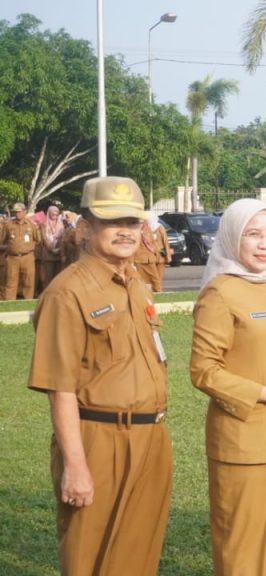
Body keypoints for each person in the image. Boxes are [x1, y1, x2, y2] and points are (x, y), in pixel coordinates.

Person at [27, 176, 172, 575]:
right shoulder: (67, 292)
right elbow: (60, 388)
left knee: (139, 556)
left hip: (151, 437)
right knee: (90, 555)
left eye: (132, 222)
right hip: (98, 440)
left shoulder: (136, 284)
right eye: (112, 222)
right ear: (86, 228)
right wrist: (75, 465)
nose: (125, 231)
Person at [191, 199, 266, 575]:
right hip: (242, 440)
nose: (265, 244)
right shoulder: (220, 292)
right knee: (240, 550)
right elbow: (203, 370)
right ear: (233, 237)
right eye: (253, 235)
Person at [3, 201, 40, 300]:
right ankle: (9, 303)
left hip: (28, 257)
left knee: (28, 282)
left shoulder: (31, 225)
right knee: (10, 282)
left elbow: (37, 240)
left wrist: (28, 247)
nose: (17, 214)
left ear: (24, 211)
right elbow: (3, 240)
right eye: (15, 212)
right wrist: (12, 247)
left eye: (19, 212)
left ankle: (28, 302)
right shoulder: (8, 225)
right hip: (12, 258)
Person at [134, 212, 164, 292]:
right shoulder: (134, 230)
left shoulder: (147, 228)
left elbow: (152, 242)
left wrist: (157, 253)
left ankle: (158, 291)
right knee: (144, 279)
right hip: (139, 259)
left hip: (149, 258)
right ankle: (149, 293)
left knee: (155, 278)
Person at [38, 205, 65, 292]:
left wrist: (59, 249)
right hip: (48, 254)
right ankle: (47, 294)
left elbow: (63, 238)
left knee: (58, 277)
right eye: (53, 214)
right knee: (48, 277)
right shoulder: (44, 224)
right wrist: (52, 250)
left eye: (56, 214)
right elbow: (44, 238)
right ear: (49, 213)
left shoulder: (61, 224)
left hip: (59, 254)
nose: (55, 216)